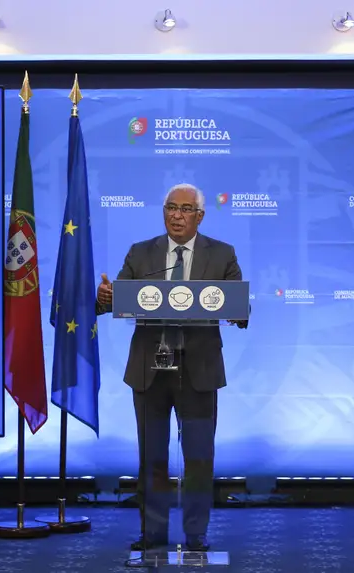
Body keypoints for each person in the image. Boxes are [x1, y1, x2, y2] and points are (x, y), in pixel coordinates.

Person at [96, 183, 248, 552]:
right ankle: (153, 533)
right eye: (170, 208)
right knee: (152, 457)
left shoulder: (222, 254)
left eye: (185, 209)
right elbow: (114, 300)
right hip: (150, 370)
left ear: (200, 216)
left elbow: (240, 308)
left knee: (198, 458)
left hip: (199, 370)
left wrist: (238, 309)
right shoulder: (141, 252)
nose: (176, 216)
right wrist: (104, 297)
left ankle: (196, 534)